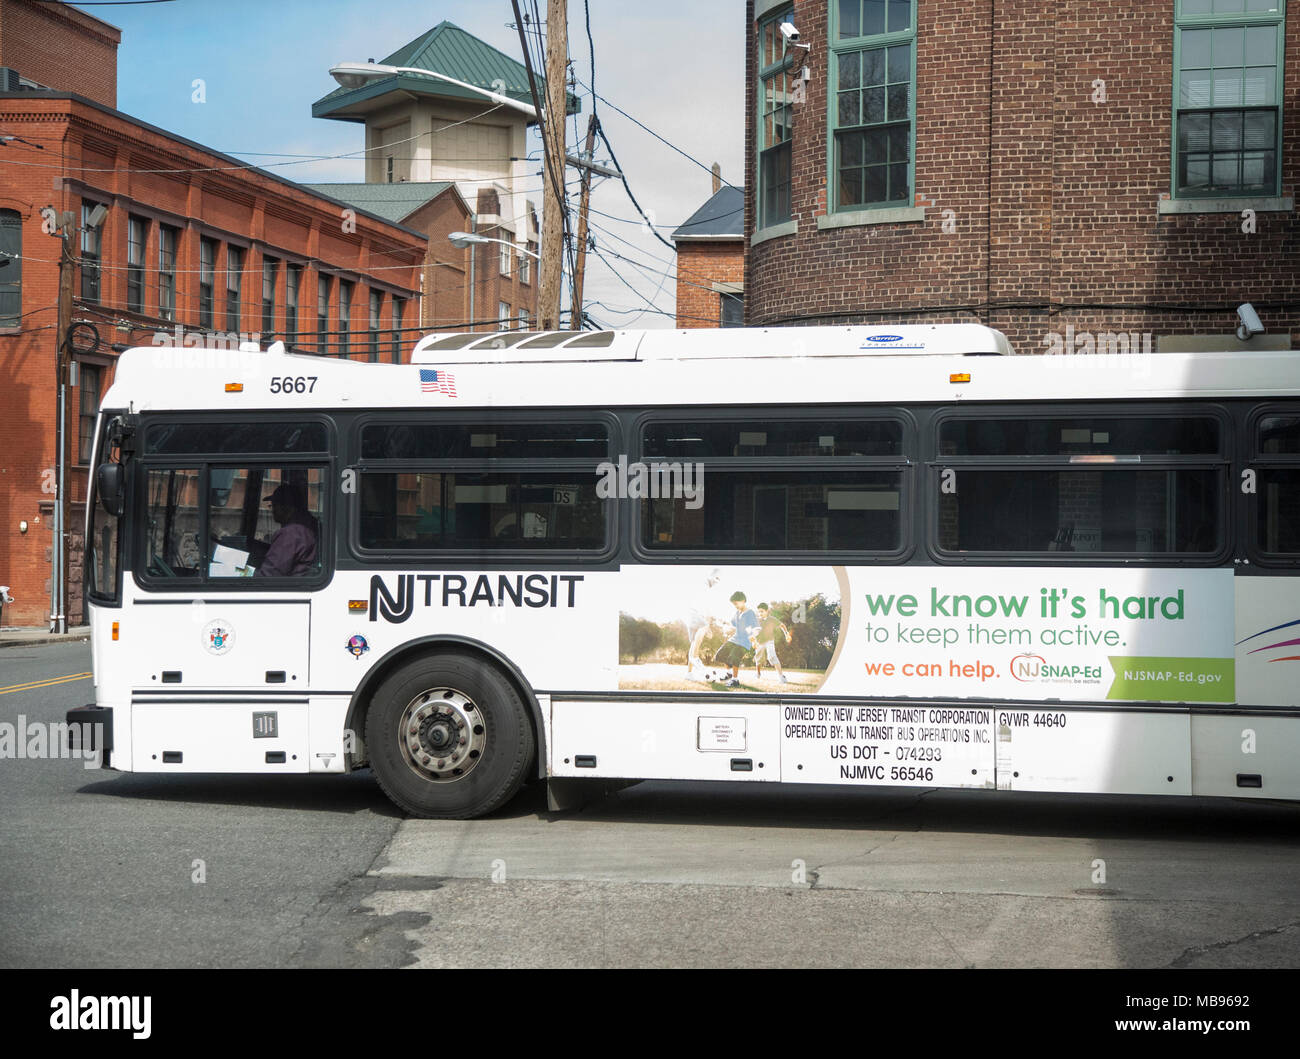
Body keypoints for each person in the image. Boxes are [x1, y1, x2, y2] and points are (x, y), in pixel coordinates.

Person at [251, 482, 318, 577]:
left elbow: (269, 576)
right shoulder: (307, 525)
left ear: (287, 507)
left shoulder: (291, 533)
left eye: (274, 505)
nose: (272, 510)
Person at [713, 591, 758, 688]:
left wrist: (753, 640)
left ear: (743, 601)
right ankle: (729, 674)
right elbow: (733, 624)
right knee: (720, 654)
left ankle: (735, 680)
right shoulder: (737, 613)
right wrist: (723, 623)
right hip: (735, 639)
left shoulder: (749, 613)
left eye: (736, 603)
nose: (735, 606)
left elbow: (752, 627)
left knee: (734, 656)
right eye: (734, 604)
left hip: (745, 641)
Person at [753, 603, 793, 684]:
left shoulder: (771, 619)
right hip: (759, 642)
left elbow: (782, 625)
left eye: (762, 611)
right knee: (758, 659)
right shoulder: (757, 620)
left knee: (772, 656)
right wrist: (753, 642)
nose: (760, 613)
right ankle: (758, 673)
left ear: (767, 611)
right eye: (759, 612)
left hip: (769, 641)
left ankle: (781, 676)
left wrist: (786, 634)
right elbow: (753, 632)